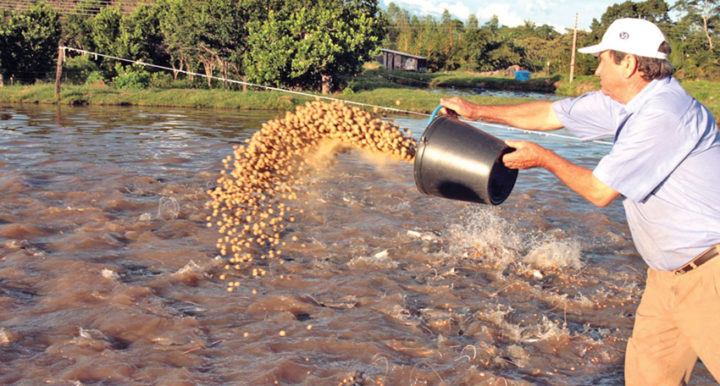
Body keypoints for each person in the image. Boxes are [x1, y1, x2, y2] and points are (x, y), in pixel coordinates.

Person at [440, 18, 720, 385]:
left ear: (629, 64)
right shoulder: (627, 101)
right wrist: (476, 112)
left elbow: (599, 191)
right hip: (666, 278)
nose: (598, 68)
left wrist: (545, 159)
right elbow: (550, 114)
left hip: (708, 277)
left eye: (603, 59)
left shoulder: (663, 114)